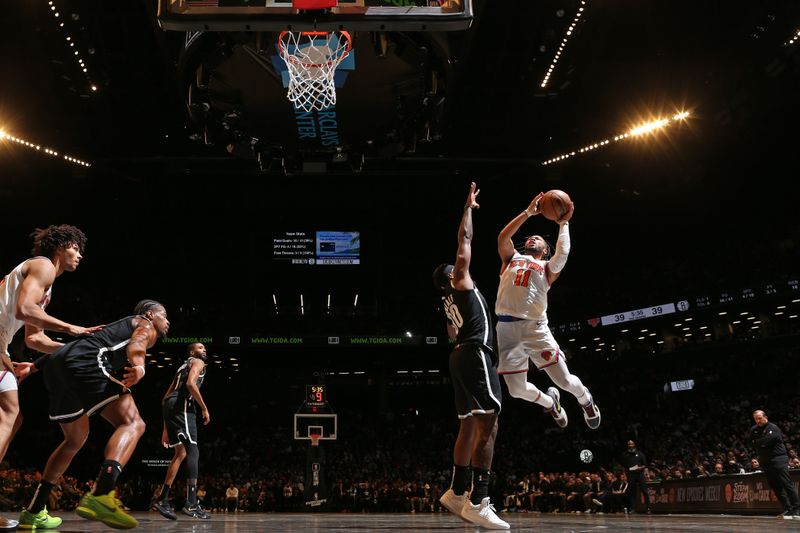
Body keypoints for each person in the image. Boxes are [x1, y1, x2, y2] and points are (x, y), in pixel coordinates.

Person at [16, 299, 170, 530]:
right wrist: (140, 366)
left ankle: (34, 511)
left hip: (57, 367)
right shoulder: (145, 324)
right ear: (150, 314)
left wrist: (33, 366)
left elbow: (73, 347)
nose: (167, 321)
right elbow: (137, 343)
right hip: (88, 363)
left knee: (75, 439)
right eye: (164, 315)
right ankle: (102, 492)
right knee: (133, 423)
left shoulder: (113, 328)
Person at [0, 225, 102, 530]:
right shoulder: (43, 265)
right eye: (77, 248)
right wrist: (72, 329)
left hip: (1, 346)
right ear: (63, 246)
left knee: (13, 417)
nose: (80, 255)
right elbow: (23, 308)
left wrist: (76, 348)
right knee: (8, 411)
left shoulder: (46, 285)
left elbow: (35, 339)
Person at [434, 182, 509, 530]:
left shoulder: (447, 301)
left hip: (458, 354)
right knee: (489, 421)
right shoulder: (460, 281)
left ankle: (456, 490)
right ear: (451, 275)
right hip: (475, 353)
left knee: (467, 423)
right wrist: (468, 208)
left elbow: (451, 331)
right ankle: (479, 500)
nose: (460, 266)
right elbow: (464, 243)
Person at [494, 193, 600, 429]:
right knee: (516, 390)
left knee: (565, 381)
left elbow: (562, 254)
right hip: (506, 329)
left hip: (535, 328)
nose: (532, 238)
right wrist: (528, 213)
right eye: (530, 237)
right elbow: (503, 237)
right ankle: (550, 403)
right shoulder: (511, 258)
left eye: (538, 238)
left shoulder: (547, 267)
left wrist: (563, 223)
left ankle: (585, 399)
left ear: (545, 250)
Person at [152, 342, 211, 520]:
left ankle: (162, 499)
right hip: (183, 406)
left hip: (170, 407)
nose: (204, 350)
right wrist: (204, 408)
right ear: (193, 352)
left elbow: (164, 399)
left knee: (180, 453)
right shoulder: (198, 362)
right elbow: (191, 384)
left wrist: (165, 429)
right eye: (200, 348)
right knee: (193, 449)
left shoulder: (182, 366)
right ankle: (191, 503)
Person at [750, 410, 800, 519]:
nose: (758, 421)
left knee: (786, 483)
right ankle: (788, 509)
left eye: (759, 418)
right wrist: (760, 443)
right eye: (755, 419)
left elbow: (768, 441)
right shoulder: (754, 430)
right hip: (766, 461)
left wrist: (759, 442)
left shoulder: (773, 428)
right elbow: (752, 442)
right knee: (775, 486)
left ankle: (797, 509)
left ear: (765, 417)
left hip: (778, 459)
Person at [621, 440, 651, 513]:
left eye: (631, 444)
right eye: (629, 444)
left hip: (640, 474)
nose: (630, 445)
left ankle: (648, 508)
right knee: (632, 492)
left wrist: (640, 468)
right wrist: (625, 474)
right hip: (631, 475)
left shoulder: (640, 454)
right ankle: (633, 508)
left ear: (634, 445)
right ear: (627, 445)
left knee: (644, 491)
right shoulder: (625, 455)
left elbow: (644, 465)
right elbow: (624, 466)